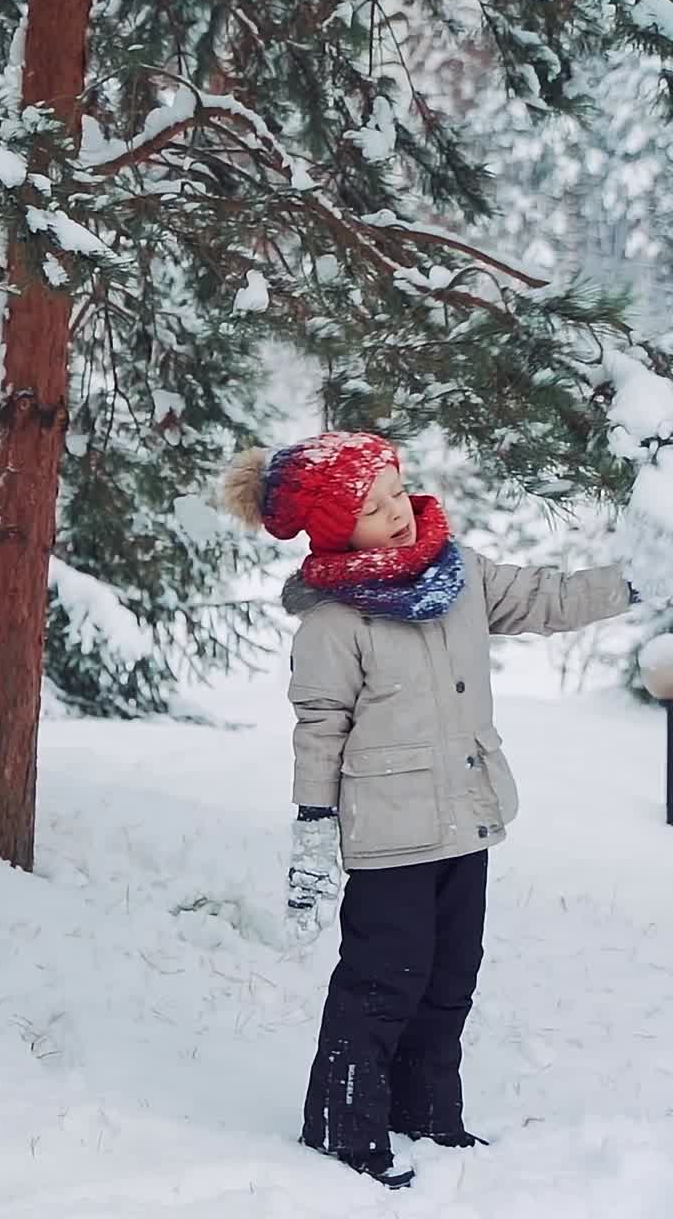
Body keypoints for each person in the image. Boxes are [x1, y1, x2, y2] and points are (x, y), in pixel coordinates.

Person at [221, 432, 636, 1189]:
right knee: (384, 983)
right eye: (372, 508)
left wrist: (635, 581)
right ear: (337, 530)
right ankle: (342, 1130)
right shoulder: (334, 623)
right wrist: (313, 826)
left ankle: (429, 1116)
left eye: (393, 492)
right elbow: (319, 731)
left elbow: (546, 596)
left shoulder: (460, 573)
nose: (396, 513)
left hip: (464, 815)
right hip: (389, 834)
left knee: (452, 975)